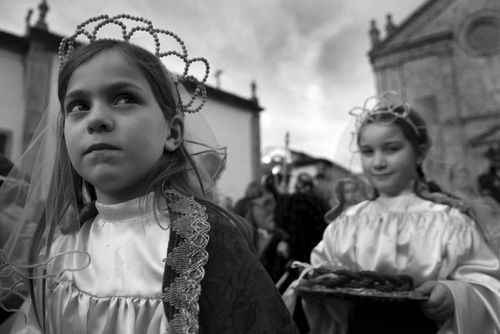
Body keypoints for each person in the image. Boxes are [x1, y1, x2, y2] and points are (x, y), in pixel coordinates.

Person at [0, 15, 299, 334]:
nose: (97, 118)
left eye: (124, 98)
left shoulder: (204, 242)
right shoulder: (61, 245)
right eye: (79, 105)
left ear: (172, 133)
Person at [297, 98, 500, 333]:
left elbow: (487, 286)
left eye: (392, 149)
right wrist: (315, 284)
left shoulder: (449, 222)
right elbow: (322, 274)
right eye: (367, 152)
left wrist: (454, 295)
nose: (379, 162)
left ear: (420, 152)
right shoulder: (347, 223)